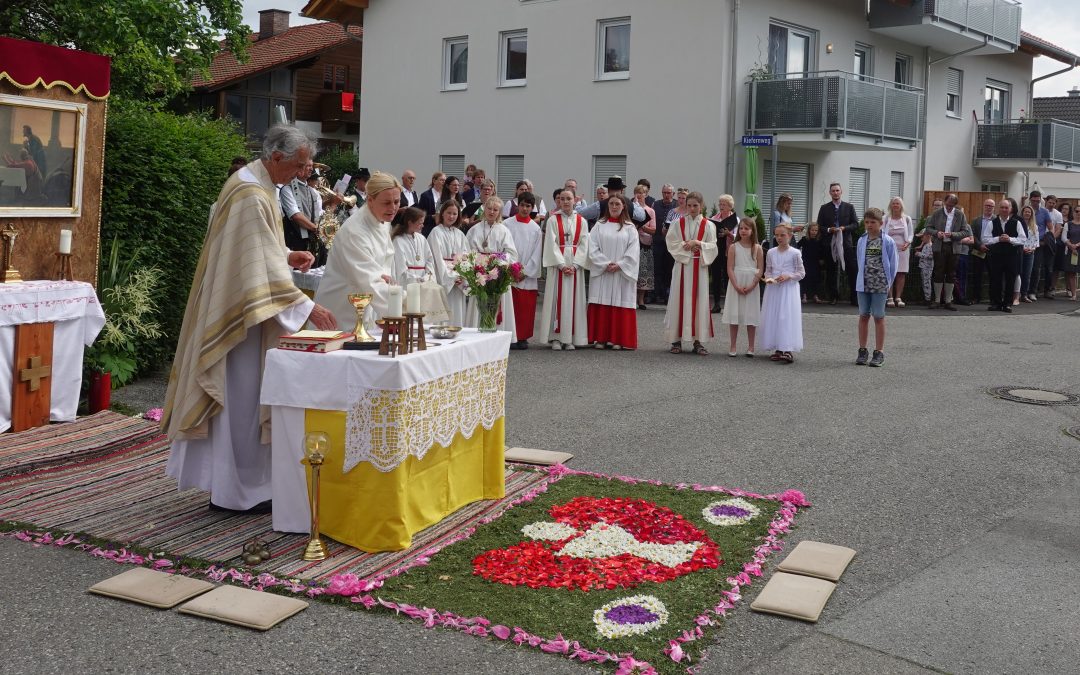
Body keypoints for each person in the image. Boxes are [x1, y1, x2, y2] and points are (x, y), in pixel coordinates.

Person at [163, 125, 337, 513]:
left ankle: (243, 486)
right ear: (277, 158)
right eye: (299, 165)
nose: (303, 173)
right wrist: (308, 307)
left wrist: (285, 254)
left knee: (246, 401)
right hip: (239, 320)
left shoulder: (257, 185)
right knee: (241, 402)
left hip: (243, 308)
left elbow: (255, 253)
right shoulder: (249, 193)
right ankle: (236, 492)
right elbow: (253, 267)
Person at [314, 171, 401, 332]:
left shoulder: (381, 221)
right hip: (341, 312)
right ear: (370, 200)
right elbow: (370, 281)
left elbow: (383, 262)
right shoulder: (355, 232)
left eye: (396, 201)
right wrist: (404, 307)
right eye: (387, 203)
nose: (393, 208)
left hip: (368, 304)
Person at [665, 191, 717, 355]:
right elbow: (671, 243)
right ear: (685, 206)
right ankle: (675, 340)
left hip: (700, 268)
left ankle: (698, 341)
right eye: (689, 205)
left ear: (701, 206)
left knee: (699, 302)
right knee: (678, 300)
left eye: (696, 205)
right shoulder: (677, 223)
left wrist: (698, 243)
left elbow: (713, 246)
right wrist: (686, 247)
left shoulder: (709, 225)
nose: (692, 208)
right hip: (682, 266)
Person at [539, 189, 589, 350]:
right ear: (558, 201)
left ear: (575, 200)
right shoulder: (553, 220)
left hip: (575, 265)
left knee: (574, 300)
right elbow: (550, 244)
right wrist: (561, 265)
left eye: (569, 198)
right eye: (562, 199)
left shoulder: (582, 221)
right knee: (556, 298)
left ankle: (572, 338)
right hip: (558, 266)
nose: (566, 201)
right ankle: (556, 338)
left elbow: (584, 244)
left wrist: (574, 265)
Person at [587, 195, 639, 350]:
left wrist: (620, 264)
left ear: (623, 206)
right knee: (602, 301)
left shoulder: (630, 228)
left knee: (619, 301)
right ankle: (601, 338)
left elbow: (634, 250)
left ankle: (618, 339)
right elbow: (592, 247)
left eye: (617, 204)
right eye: (611, 204)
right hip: (603, 270)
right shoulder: (599, 225)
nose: (614, 206)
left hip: (621, 272)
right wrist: (605, 263)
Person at [465, 196, 518, 338]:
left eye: (495, 209)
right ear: (484, 209)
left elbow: (512, 253)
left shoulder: (504, 230)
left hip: (498, 273)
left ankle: (499, 336)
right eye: (489, 208)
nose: (492, 212)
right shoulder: (474, 229)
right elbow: (468, 251)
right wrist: (480, 263)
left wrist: (496, 262)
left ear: (499, 212)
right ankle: (476, 334)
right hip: (479, 272)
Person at [854, 208, 898, 368]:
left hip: (880, 285)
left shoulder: (887, 241)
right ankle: (862, 350)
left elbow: (893, 264)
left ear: (881, 223)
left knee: (879, 317)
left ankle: (879, 352)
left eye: (873, 222)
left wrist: (888, 283)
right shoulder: (861, 240)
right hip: (863, 284)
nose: (869, 225)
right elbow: (860, 261)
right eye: (867, 222)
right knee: (863, 315)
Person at [759, 224, 805, 363]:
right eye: (777, 235)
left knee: (786, 316)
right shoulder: (771, 252)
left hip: (788, 289)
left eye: (782, 235)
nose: (779, 238)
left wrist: (789, 276)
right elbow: (768, 270)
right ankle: (778, 348)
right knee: (774, 316)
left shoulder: (795, 253)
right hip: (774, 289)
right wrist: (768, 278)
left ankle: (788, 348)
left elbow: (801, 273)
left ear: (790, 236)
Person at [503, 191, 543, 349]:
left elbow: (537, 253)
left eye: (528, 206)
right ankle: (509, 335)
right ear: (517, 205)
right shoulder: (507, 225)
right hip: (510, 271)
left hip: (526, 275)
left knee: (525, 309)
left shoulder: (535, 229)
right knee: (511, 306)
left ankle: (523, 336)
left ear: (532, 208)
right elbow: (504, 248)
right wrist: (512, 269)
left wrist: (524, 272)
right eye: (522, 205)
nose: (525, 209)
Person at [721, 217, 764, 357]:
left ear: (752, 231)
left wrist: (752, 285)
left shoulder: (757, 248)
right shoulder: (733, 247)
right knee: (735, 315)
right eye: (741, 228)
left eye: (747, 228)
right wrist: (736, 285)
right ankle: (733, 346)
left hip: (751, 283)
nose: (743, 231)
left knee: (750, 316)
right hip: (736, 283)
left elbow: (760, 269)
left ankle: (751, 347)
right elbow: (730, 268)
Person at [922, 194, 970, 311]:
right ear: (945, 202)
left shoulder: (960, 214)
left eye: (952, 205)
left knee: (951, 273)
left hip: (954, 247)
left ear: (955, 205)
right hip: (939, 246)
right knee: (938, 272)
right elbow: (928, 228)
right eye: (948, 205)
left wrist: (953, 235)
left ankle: (948, 301)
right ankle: (937, 300)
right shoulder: (937, 213)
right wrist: (937, 233)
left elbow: (965, 232)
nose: (949, 207)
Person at [426, 200, 469, 325]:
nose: (451, 216)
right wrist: (451, 277)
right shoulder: (436, 232)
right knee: (443, 314)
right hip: (444, 280)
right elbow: (437, 258)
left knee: (457, 314)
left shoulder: (460, 234)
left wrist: (462, 275)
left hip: (458, 281)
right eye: (448, 213)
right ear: (442, 214)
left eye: (455, 214)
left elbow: (466, 256)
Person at [816, 183, 859, 305]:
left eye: (837, 190)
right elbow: (820, 226)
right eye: (833, 191)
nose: (835, 193)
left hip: (846, 243)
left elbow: (855, 224)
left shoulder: (849, 207)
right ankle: (833, 297)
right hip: (829, 244)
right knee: (831, 271)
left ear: (841, 192)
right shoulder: (824, 208)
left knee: (852, 270)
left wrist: (844, 228)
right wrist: (830, 230)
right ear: (830, 193)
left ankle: (854, 298)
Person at [985, 198, 1025, 313]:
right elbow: (985, 239)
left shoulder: (1016, 223)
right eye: (1002, 207)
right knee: (995, 279)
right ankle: (995, 303)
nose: (1004, 210)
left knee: (1010, 280)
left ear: (1010, 209)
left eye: (1006, 208)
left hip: (1011, 256)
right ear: (999, 209)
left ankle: (1007, 303)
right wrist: (998, 239)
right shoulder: (992, 223)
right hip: (996, 256)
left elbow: (1023, 239)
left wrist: (1010, 239)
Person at [390, 206, 434, 286]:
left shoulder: (422, 238)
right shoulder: (398, 241)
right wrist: (417, 279)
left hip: (425, 281)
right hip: (409, 284)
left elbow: (429, 260)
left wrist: (428, 276)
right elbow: (400, 268)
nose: (423, 225)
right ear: (410, 222)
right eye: (420, 223)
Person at [576, 176, 646, 225]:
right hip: (624, 238)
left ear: (608, 190)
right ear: (622, 190)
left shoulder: (600, 205)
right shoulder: (630, 204)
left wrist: (578, 203)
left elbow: (581, 214)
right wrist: (637, 204)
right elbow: (642, 217)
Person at [709, 194, 738, 313]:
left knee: (728, 278)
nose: (721, 206)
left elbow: (740, 237)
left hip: (729, 252)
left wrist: (729, 234)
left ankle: (730, 305)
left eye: (724, 204)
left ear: (730, 206)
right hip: (716, 251)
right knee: (716, 277)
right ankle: (716, 304)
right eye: (720, 204)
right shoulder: (714, 218)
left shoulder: (736, 220)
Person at [883, 197, 913, 308]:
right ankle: (889, 297)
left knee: (901, 273)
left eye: (897, 204)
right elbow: (881, 232)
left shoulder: (907, 219)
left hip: (903, 249)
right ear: (890, 205)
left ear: (901, 206)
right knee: (889, 273)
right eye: (893, 203)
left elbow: (910, 234)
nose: (895, 205)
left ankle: (898, 297)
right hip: (888, 249)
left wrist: (908, 242)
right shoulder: (886, 218)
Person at [651, 184, 678, 304]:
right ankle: (656, 293)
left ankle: (667, 294)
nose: (666, 195)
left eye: (669, 193)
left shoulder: (677, 205)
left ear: (673, 194)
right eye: (664, 193)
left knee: (669, 268)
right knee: (657, 268)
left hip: (671, 243)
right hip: (657, 240)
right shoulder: (655, 204)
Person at [633, 184, 657, 309]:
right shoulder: (630, 208)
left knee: (644, 271)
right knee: (632, 270)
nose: (639, 195)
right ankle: (631, 298)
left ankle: (641, 300)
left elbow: (653, 230)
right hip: (632, 241)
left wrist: (642, 226)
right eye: (636, 192)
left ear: (646, 195)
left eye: (641, 193)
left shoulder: (650, 210)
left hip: (645, 242)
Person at [968, 198, 996, 304]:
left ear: (994, 208)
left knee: (993, 275)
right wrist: (980, 245)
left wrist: (989, 245)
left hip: (992, 252)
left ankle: (993, 298)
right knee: (977, 275)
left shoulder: (997, 220)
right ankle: (976, 297)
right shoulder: (976, 220)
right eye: (987, 205)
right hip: (978, 251)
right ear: (983, 206)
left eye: (991, 206)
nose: (989, 207)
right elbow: (972, 235)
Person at [1016, 205, 1039, 305]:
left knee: (1027, 274)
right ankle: (1017, 294)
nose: (1027, 213)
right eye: (1025, 211)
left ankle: (1024, 294)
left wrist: (1032, 249)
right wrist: (1023, 248)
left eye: (1029, 212)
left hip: (1030, 253)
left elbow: (1036, 241)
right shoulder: (1018, 224)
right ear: (1022, 213)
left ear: (1031, 214)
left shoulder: (1034, 226)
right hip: (1020, 252)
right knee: (1018, 273)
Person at [797, 222, 824, 303]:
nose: (814, 232)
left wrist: (821, 259)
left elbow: (822, 251)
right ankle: (804, 296)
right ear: (809, 231)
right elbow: (797, 246)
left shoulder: (819, 240)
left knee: (816, 279)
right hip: (806, 261)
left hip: (815, 262)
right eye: (812, 230)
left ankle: (815, 295)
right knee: (805, 278)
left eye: (816, 230)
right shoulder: (805, 239)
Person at [417, 171, 446, 235]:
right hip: (429, 228)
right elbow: (420, 214)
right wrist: (432, 217)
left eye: (445, 180)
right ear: (434, 181)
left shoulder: (446, 196)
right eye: (441, 180)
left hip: (444, 229)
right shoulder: (425, 195)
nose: (444, 182)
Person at [1061, 205, 1080, 301]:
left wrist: (1076, 245)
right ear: (1073, 212)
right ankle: (1074, 295)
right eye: (1077, 211)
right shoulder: (1068, 224)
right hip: (1071, 251)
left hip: (1077, 249)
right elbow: (1063, 237)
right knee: (1071, 273)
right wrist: (1071, 246)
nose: (1078, 213)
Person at [916, 230, 935, 304]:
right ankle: (926, 297)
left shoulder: (930, 245)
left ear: (928, 236)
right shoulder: (926, 245)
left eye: (922, 237)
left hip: (927, 267)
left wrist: (919, 254)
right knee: (925, 282)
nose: (921, 239)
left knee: (926, 282)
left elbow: (931, 256)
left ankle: (928, 299)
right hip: (924, 266)